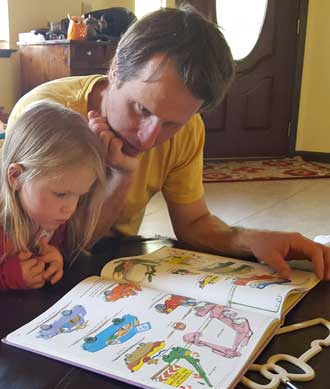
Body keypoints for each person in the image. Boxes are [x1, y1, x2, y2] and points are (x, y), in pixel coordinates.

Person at [8, 6, 330, 281]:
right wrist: (120, 177)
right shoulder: (44, 118)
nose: (149, 138)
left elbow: (193, 223)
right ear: (116, 68)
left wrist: (250, 240)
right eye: (142, 109)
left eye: (172, 123)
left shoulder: (190, 131)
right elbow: (71, 247)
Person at [0, 101, 106, 290]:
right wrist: (8, 277)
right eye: (61, 194)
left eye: (79, 196)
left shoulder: (51, 218)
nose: (71, 208)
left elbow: (56, 248)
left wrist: (54, 258)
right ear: (16, 176)